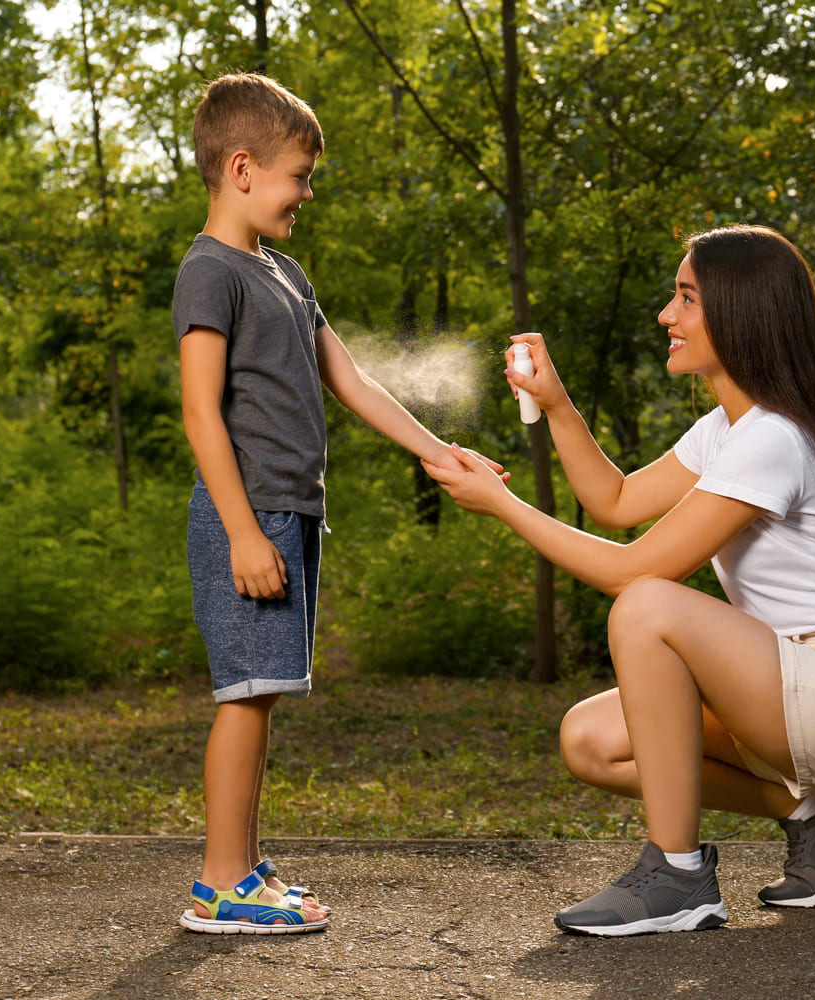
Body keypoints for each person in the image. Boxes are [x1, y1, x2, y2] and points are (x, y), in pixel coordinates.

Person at [422, 224, 815, 937]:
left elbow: (632, 570)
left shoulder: (773, 437)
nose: (668, 315)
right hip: (800, 691)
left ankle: (677, 875)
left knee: (647, 605)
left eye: (687, 298)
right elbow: (618, 502)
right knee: (593, 739)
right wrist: (561, 404)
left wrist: (503, 504)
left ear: (741, 311)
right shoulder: (728, 430)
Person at [171, 72, 503, 934]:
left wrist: (439, 450)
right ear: (241, 169)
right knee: (244, 695)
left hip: (290, 513)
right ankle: (218, 884)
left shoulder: (282, 270)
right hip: (248, 516)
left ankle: (243, 866)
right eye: (298, 177)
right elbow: (200, 412)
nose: (307, 193)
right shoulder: (209, 273)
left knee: (264, 691)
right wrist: (243, 531)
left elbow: (350, 380)